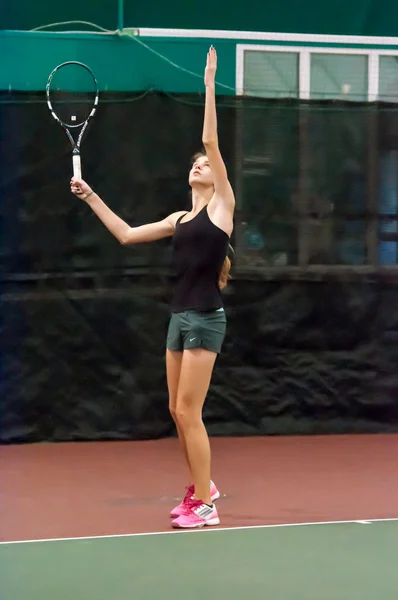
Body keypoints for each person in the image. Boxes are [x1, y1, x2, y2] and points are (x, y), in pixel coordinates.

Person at [70, 46, 235, 529]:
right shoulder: (178, 218)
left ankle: (205, 504)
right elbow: (124, 234)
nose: (201, 164)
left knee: (190, 410)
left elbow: (210, 137)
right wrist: (90, 195)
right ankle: (203, 486)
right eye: (197, 163)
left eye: (206, 163)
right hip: (178, 318)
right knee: (175, 411)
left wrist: (208, 83)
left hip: (206, 318)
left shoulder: (222, 206)